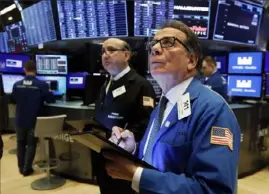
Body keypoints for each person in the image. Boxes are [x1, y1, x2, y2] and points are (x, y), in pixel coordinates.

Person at [103, 20, 241, 194]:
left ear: (191, 60)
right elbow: (162, 161)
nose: (155, 49)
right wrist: (135, 148)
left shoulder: (213, 110)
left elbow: (214, 190)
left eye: (168, 43)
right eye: (153, 44)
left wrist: (137, 175)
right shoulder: (162, 105)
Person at [94, 38, 156, 194]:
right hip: (101, 152)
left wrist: (127, 137)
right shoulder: (106, 83)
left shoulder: (141, 85)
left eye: (111, 50)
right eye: (103, 51)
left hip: (124, 159)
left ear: (126, 55)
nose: (105, 55)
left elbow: (146, 122)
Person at [11, 60, 55, 176]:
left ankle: (21, 168)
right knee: (31, 144)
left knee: (20, 143)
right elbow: (51, 100)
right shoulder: (42, 85)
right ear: (36, 70)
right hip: (33, 120)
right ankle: (27, 169)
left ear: (24, 70)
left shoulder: (16, 84)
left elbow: (12, 100)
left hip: (19, 119)